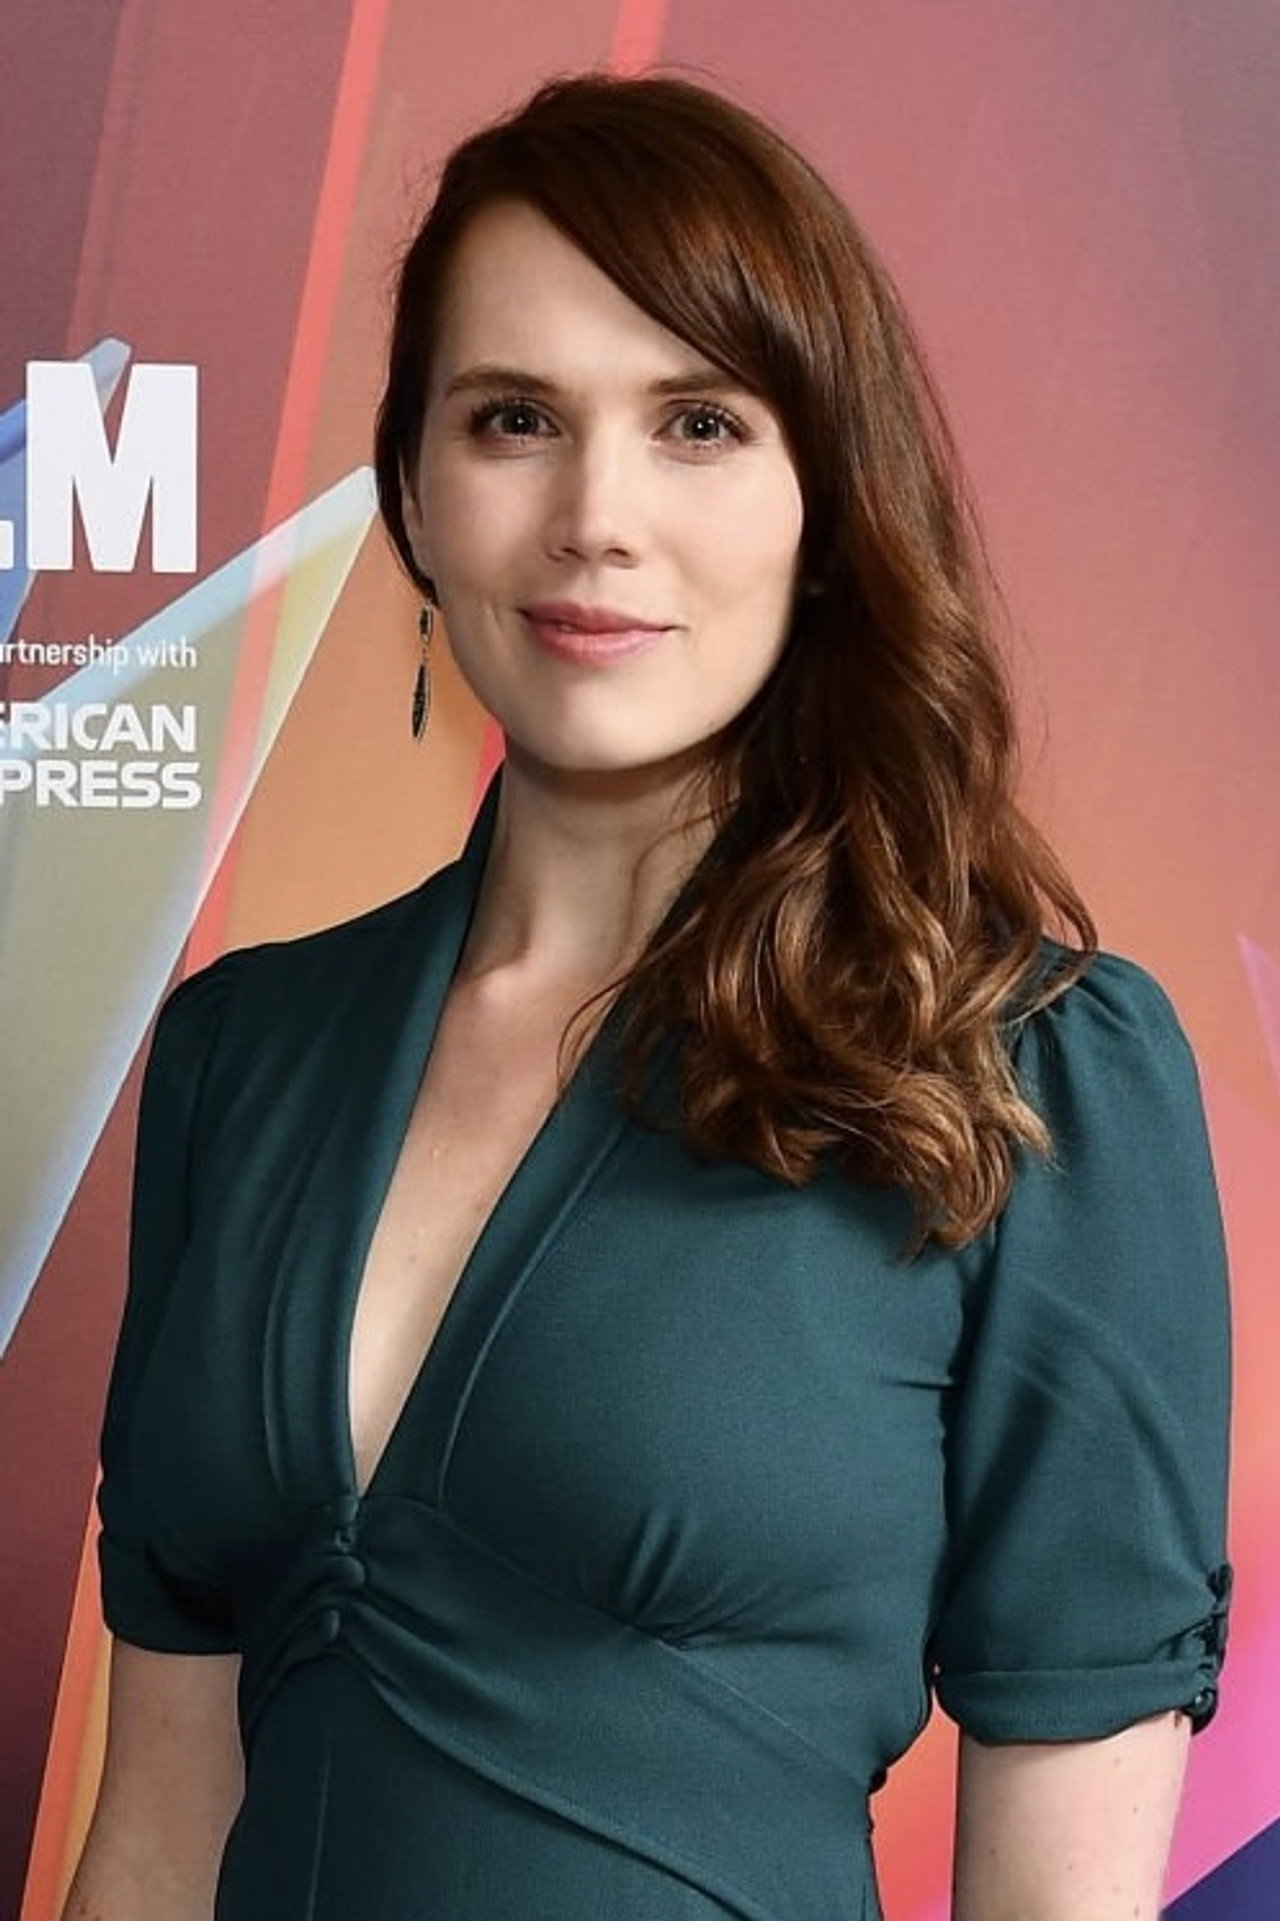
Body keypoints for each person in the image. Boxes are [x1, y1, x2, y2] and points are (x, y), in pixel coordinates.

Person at [64, 71, 1231, 1921]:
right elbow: (151, 1840)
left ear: (823, 503)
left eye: (697, 422)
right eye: (514, 418)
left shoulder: (1029, 1067)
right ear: (414, 492)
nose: (595, 516)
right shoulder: (239, 1055)